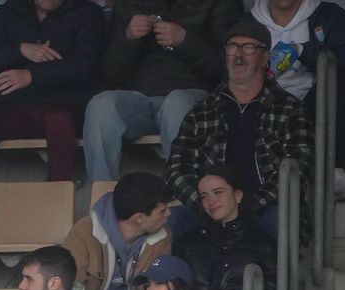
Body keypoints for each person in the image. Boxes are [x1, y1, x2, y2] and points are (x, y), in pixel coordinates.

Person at [168, 17, 313, 237]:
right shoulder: (202, 111)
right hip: (211, 209)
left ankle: (274, 272)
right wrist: (207, 204)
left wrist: (249, 207)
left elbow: (299, 168)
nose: (238, 55)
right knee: (171, 221)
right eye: (232, 47)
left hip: (266, 210)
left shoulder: (289, 108)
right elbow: (177, 169)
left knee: (280, 221)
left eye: (248, 48)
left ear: (265, 58)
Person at [82, 0, 239, 183]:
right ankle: (102, 201)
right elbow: (112, 75)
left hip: (193, 93)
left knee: (176, 102)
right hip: (139, 98)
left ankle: (184, 196)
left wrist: (185, 40)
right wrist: (128, 38)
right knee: (101, 104)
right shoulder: (129, 4)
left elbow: (224, 68)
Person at [0, 0, 104, 187]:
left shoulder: (87, 12)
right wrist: (19, 50)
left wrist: (32, 75)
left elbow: (86, 66)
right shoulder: (8, 11)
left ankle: (56, 196)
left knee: (59, 118)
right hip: (13, 110)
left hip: (64, 106)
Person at [253, 0, 345, 200]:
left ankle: (332, 170)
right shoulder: (248, 23)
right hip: (265, 104)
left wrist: (303, 51)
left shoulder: (328, 14)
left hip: (312, 99)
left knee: (339, 80)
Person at [174, 169, 277, 290]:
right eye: (204, 196)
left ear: (238, 196)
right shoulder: (186, 243)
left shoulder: (263, 243)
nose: (211, 201)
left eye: (218, 192)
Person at [66, 172, 173, 290]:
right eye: (162, 211)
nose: (169, 214)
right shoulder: (83, 233)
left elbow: (159, 287)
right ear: (139, 218)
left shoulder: (162, 236)